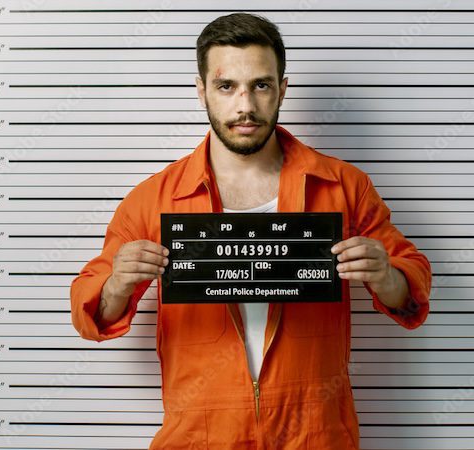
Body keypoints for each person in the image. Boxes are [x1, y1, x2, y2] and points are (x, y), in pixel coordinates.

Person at [70, 12, 431, 449]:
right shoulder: (153, 199)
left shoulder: (344, 186)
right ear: (202, 90)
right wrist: (118, 285)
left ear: (282, 88)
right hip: (199, 439)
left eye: (261, 85)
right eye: (227, 87)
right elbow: (91, 316)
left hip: (316, 436)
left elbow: (411, 289)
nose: (245, 105)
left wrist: (386, 275)